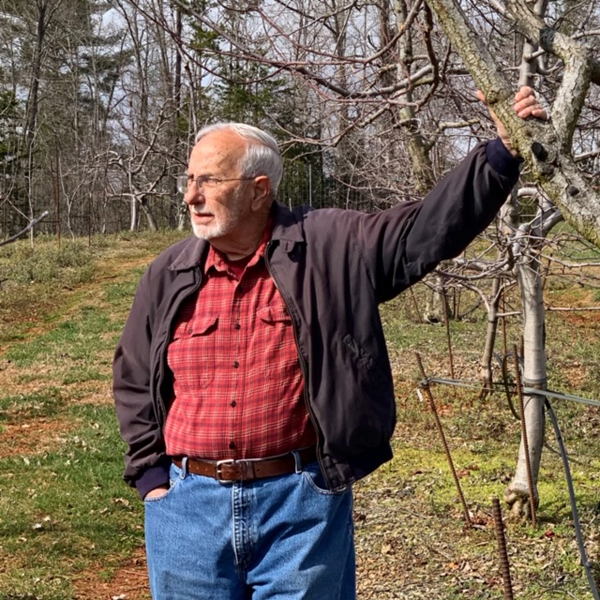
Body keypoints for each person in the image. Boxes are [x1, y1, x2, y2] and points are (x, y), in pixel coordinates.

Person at [114, 87, 546, 599]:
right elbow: (134, 375)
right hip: (187, 509)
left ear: (259, 190)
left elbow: (428, 228)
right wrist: (152, 477)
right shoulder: (168, 273)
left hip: (300, 507)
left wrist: (499, 152)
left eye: (209, 180)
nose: (191, 195)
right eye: (190, 179)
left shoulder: (333, 245)